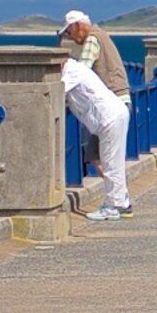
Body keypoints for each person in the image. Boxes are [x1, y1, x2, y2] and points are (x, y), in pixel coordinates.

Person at [60, 11, 134, 219]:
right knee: (110, 159)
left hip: (111, 110)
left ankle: (115, 205)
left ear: (78, 26)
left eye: (69, 32)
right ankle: (121, 201)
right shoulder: (101, 35)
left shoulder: (90, 42)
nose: (70, 38)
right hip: (117, 107)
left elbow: (79, 73)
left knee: (105, 159)